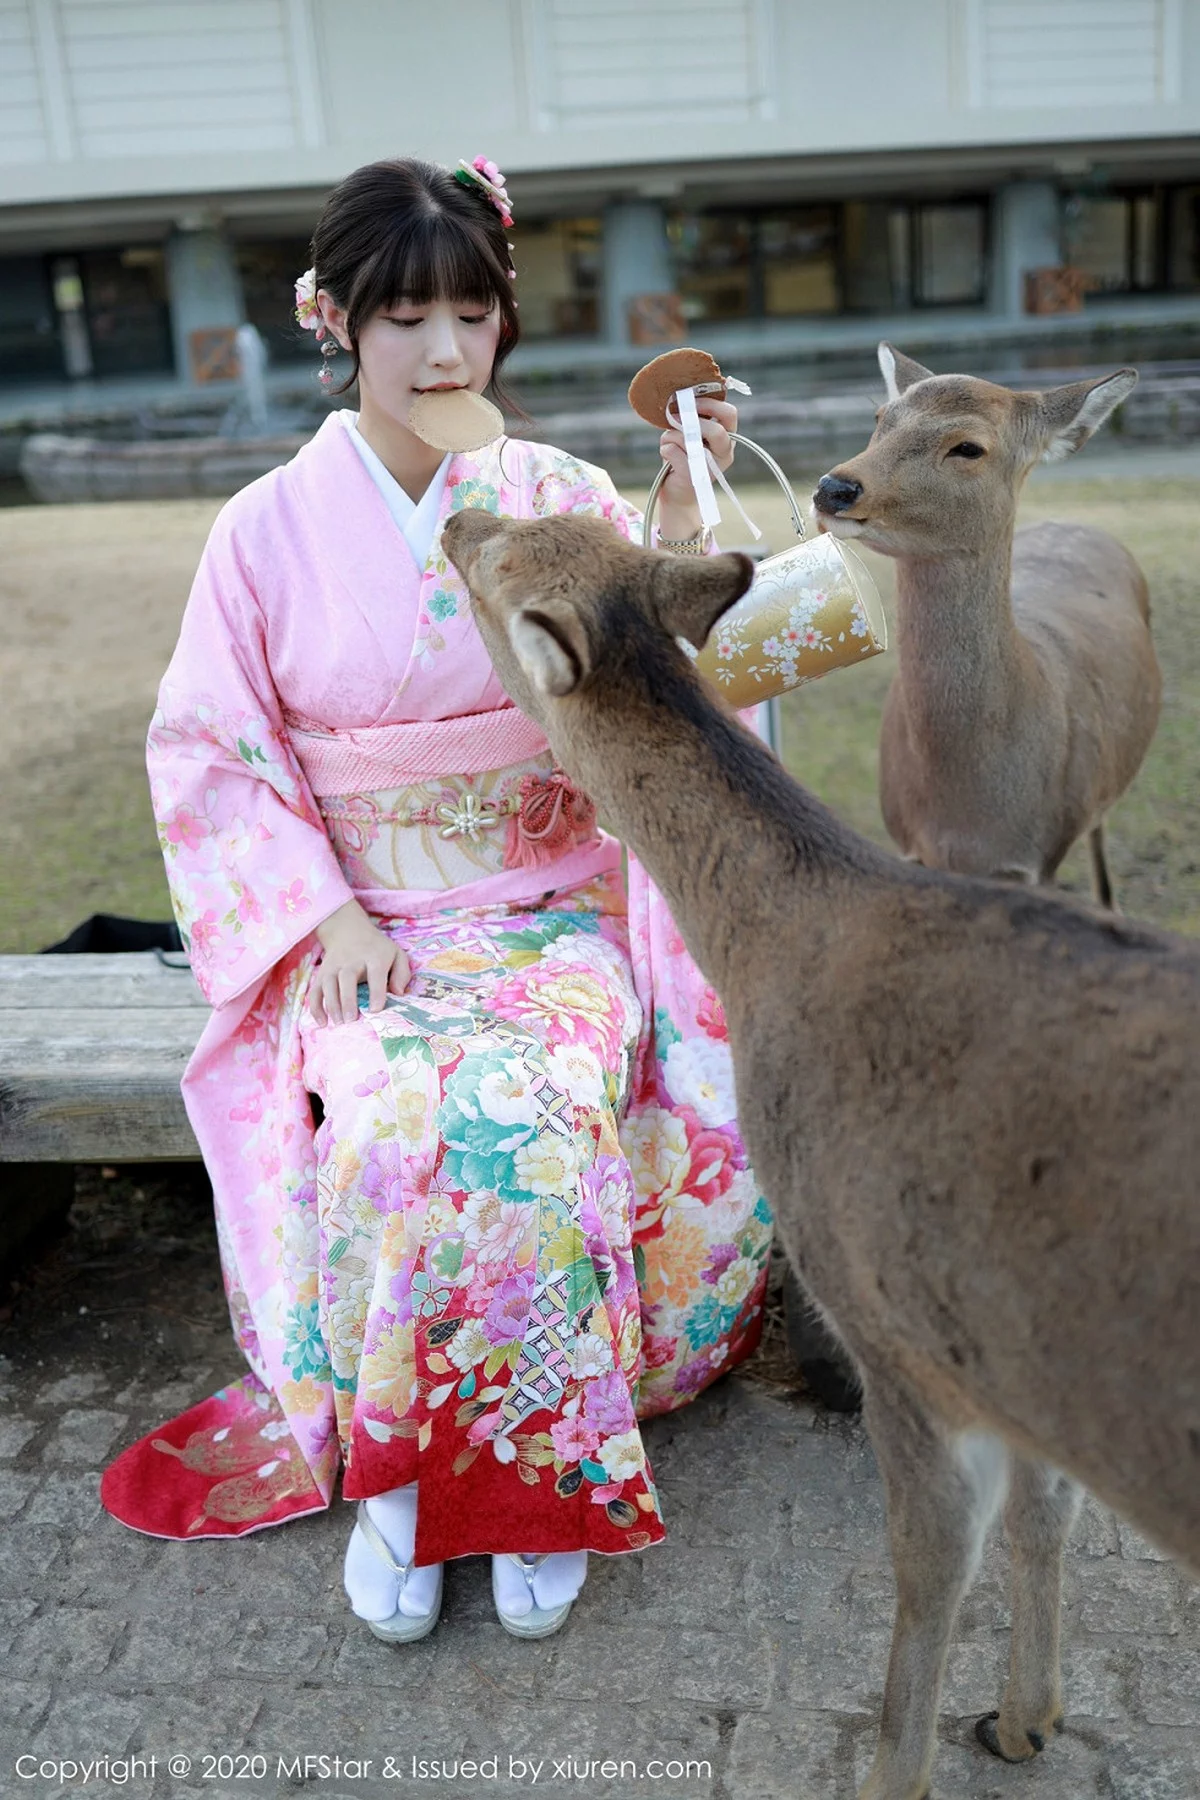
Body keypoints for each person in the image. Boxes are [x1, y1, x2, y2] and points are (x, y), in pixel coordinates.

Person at [100, 155, 772, 1643]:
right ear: (333, 319)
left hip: (545, 902)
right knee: (400, 1114)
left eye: (472, 311)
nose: (446, 350)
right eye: (405, 314)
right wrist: (319, 912)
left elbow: (649, 689)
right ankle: (404, 1484)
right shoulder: (264, 532)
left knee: (531, 1103)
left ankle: (541, 1480)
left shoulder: (557, 494)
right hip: (363, 928)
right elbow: (211, 748)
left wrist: (668, 509)